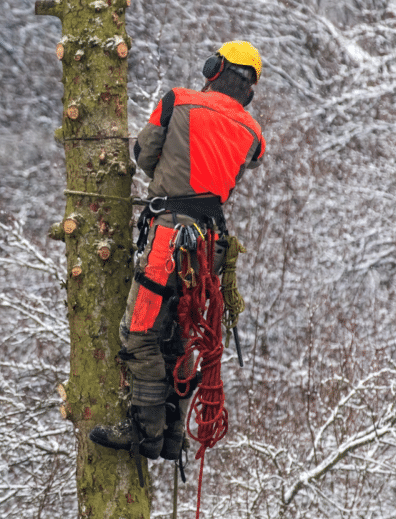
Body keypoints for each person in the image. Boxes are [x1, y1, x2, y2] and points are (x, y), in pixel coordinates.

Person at [89, 40, 266, 461]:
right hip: (210, 244)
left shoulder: (176, 101)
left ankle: (144, 430)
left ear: (214, 68)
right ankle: (173, 431)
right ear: (250, 87)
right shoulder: (253, 133)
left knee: (138, 332)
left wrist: (169, 174)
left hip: (170, 237)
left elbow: (145, 155)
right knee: (182, 334)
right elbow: (242, 167)